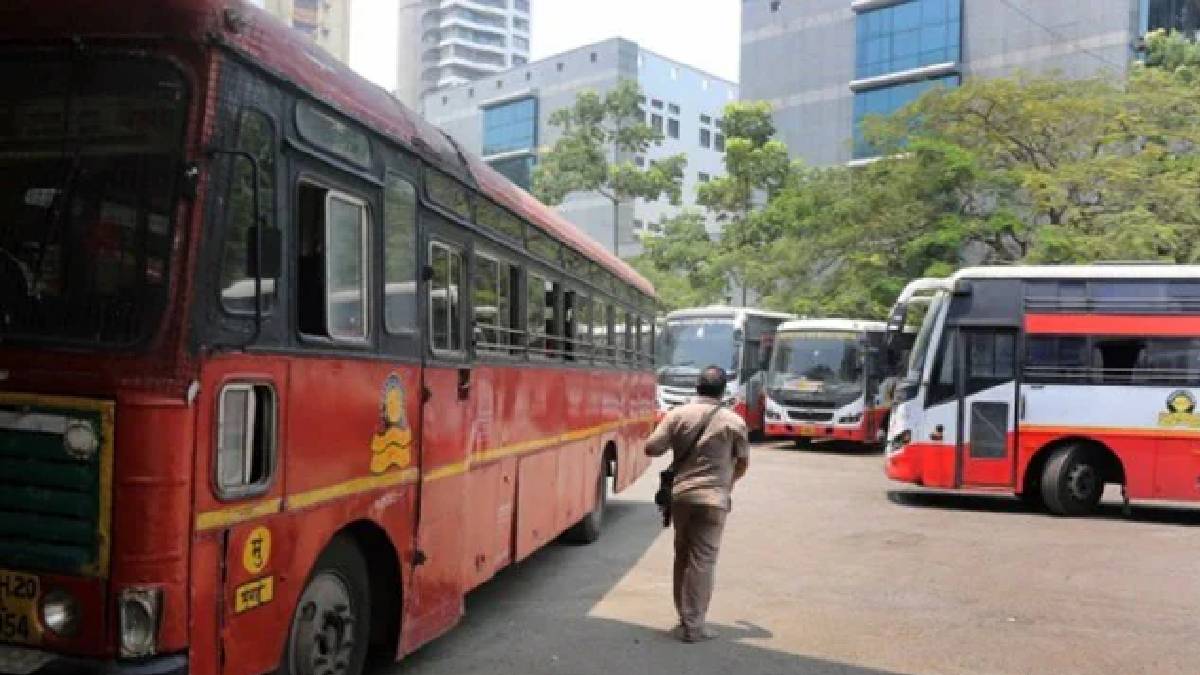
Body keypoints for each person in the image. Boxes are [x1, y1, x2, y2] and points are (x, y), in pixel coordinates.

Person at [645, 365, 750, 643]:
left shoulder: (677, 414)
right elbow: (743, 463)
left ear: (697, 387)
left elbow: (651, 448)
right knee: (702, 560)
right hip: (714, 500)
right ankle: (694, 625)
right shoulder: (733, 421)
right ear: (723, 390)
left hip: (681, 497)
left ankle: (684, 616)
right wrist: (726, 485)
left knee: (682, 555)